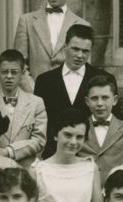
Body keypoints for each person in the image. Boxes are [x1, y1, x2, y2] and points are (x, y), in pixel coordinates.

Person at [12, 0, 90, 90]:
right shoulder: (27, 21)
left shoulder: (82, 24)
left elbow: (84, 66)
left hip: (69, 95)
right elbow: (18, 63)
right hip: (35, 95)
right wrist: (35, 93)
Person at [35, 24, 101, 158]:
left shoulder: (102, 79)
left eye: (85, 51)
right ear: (64, 48)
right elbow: (39, 121)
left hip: (90, 155)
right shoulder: (44, 81)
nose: (80, 55)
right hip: (53, 155)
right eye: (75, 49)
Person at [0, 49, 48, 168]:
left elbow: (39, 140)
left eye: (14, 72)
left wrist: (8, 151)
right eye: (4, 72)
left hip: (25, 169)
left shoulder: (36, 103)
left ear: (22, 73)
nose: (9, 76)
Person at [78, 71, 123, 183]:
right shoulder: (78, 128)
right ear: (87, 101)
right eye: (94, 98)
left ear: (114, 100)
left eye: (105, 98)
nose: (100, 103)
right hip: (86, 191)